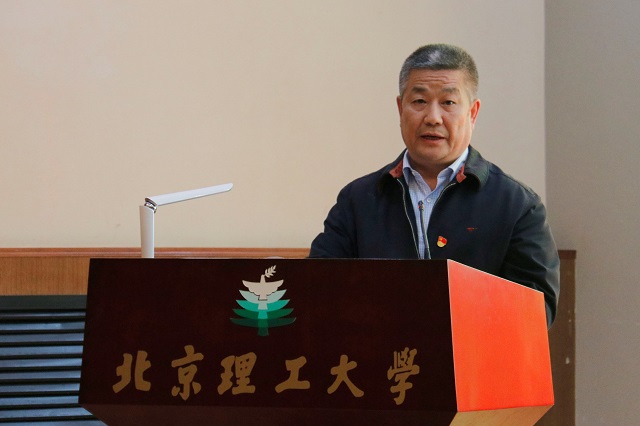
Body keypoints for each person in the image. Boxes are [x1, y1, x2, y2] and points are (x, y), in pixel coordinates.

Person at [309, 43, 560, 327]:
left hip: (471, 354)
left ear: (473, 113)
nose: (432, 117)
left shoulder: (517, 206)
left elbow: (536, 313)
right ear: (400, 108)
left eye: (448, 103)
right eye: (419, 101)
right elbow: (319, 288)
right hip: (377, 353)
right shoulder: (358, 199)